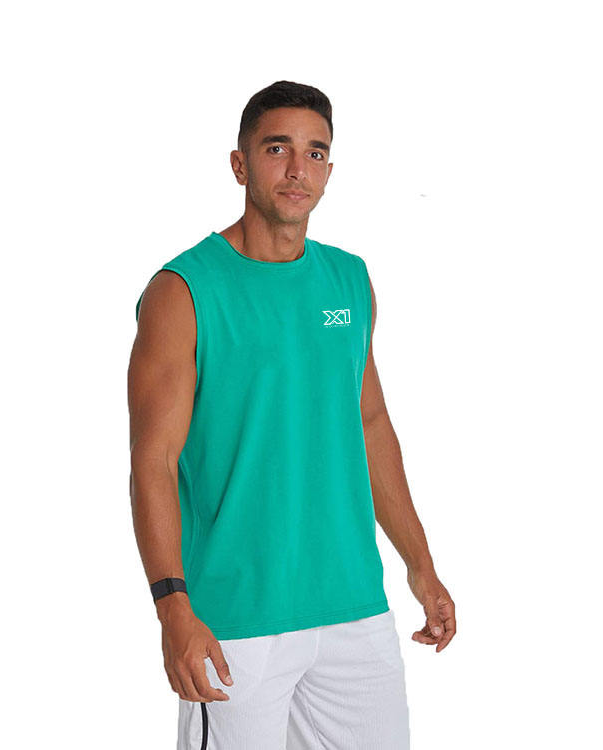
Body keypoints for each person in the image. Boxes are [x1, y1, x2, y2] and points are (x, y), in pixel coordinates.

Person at [127, 80, 456, 749]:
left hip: (353, 606)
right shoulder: (183, 290)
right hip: (238, 619)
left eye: (315, 152)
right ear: (240, 164)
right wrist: (172, 608)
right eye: (277, 148)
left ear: (329, 170)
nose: (297, 168)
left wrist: (420, 565)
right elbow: (153, 461)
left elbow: (370, 426)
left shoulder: (349, 280)